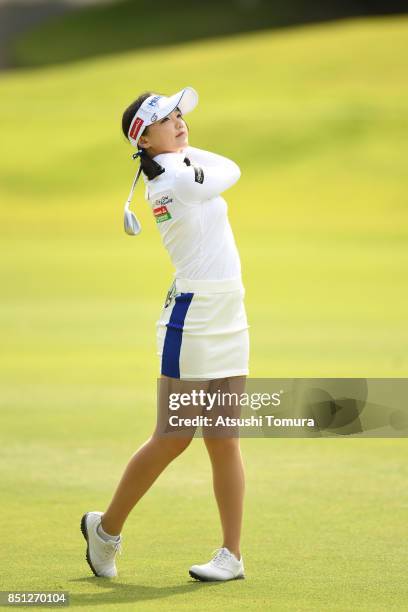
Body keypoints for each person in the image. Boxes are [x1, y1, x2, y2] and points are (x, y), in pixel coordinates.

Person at [80, 86, 250, 582]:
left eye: (180, 115)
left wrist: (180, 151)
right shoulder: (171, 180)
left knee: (225, 438)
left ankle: (231, 556)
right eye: (167, 119)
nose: (180, 123)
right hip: (193, 316)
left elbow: (227, 167)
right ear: (145, 138)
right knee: (174, 436)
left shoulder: (173, 164)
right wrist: (181, 157)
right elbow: (228, 172)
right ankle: (105, 532)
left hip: (229, 310)